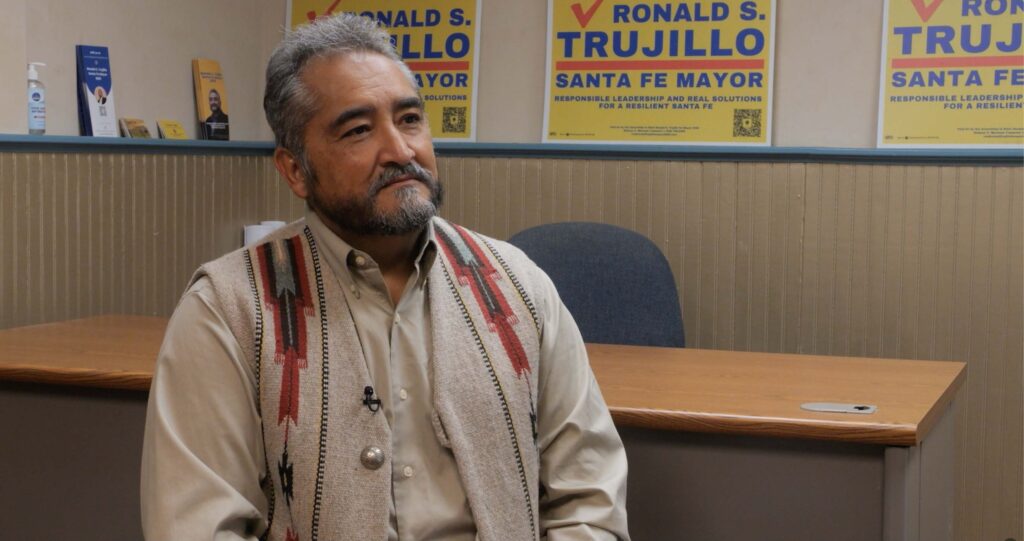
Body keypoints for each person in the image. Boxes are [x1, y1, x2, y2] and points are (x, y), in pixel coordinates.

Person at [141, 12, 629, 541]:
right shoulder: (228, 307)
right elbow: (195, 527)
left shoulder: (519, 287)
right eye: (358, 130)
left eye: (411, 119)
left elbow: (590, 498)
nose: (401, 151)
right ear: (295, 170)